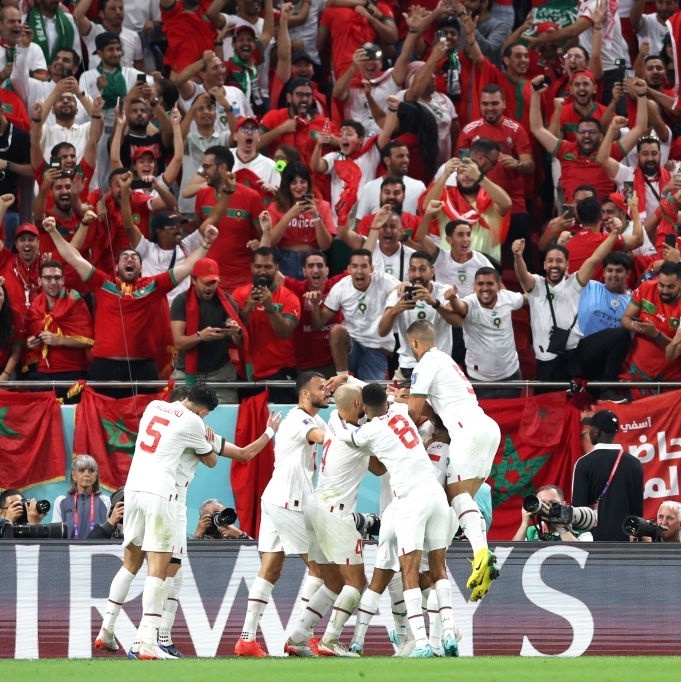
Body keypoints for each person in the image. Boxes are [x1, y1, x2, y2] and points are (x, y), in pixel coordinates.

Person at [95, 385, 219, 660]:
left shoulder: (153, 406)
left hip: (133, 490)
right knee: (159, 570)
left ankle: (107, 627)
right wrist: (207, 440)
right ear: (201, 411)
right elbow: (211, 461)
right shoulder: (193, 422)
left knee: (130, 563)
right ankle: (147, 640)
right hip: (160, 494)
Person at [41, 216, 218, 397]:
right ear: (117, 267)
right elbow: (73, 257)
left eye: (134, 257)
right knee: (100, 419)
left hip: (142, 368)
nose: (129, 260)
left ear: (141, 267)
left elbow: (187, 266)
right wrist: (53, 231)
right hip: (105, 367)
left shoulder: (154, 285)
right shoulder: (102, 283)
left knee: (144, 419)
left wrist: (206, 243)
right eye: (124, 257)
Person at [344, 382, 457, 658]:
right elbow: (386, 397)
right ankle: (450, 632)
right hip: (435, 496)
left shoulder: (368, 430)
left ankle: (420, 643)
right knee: (439, 569)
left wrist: (342, 416)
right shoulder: (400, 412)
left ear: (361, 405)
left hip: (408, 502)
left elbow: (349, 438)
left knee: (408, 573)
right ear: (388, 398)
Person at [285, 381, 382, 657]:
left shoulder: (333, 419)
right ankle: (330, 640)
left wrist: (346, 380)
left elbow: (346, 400)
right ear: (357, 405)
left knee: (333, 584)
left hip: (314, 508)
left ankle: (298, 637)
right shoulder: (358, 436)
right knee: (356, 583)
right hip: (336, 514)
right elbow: (379, 468)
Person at [406, 320, 501, 602]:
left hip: (468, 433)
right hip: (486, 428)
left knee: (456, 497)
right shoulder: (446, 360)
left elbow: (413, 411)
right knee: (460, 504)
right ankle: (480, 557)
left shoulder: (424, 364)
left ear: (414, 343)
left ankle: (482, 554)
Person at [234, 371, 328, 657]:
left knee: (271, 569)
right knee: (321, 569)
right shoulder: (298, 419)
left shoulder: (316, 418)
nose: (326, 391)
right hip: (289, 503)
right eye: (320, 387)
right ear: (303, 394)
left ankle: (246, 639)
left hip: (276, 500)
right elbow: (324, 438)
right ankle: (303, 636)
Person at [512, 228, 620, 386]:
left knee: (619, 335)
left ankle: (606, 390)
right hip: (547, 360)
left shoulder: (574, 283)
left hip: (574, 354)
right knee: (550, 405)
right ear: (544, 264)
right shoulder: (536, 286)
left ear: (567, 264)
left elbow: (595, 258)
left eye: (559, 261)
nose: (554, 265)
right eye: (550, 261)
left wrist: (614, 234)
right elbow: (522, 274)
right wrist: (518, 256)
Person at [310, 248, 399, 380]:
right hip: (352, 347)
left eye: (364, 266)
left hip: (377, 349)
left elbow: (404, 286)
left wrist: (406, 284)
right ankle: (342, 379)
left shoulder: (384, 281)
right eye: (355, 266)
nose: (359, 271)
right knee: (337, 330)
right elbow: (318, 324)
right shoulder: (341, 287)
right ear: (349, 269)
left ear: (372, 269)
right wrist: (315, 305)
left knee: (371, 395)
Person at [170, 257, 245, 404]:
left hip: (220, 373)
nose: (210, 287)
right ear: (193, 279)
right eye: (206, 282)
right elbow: (178, 343)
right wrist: (200, 337)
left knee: (225, 419)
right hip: (187, 372)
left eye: (213, 282)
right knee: (180, 417)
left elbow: (239, 343)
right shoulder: (181, 301)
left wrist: (236, 332)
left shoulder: (228, 302)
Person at [231, 246, 300, 403]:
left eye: (268, 267)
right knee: (249, 424)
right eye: (258, 266)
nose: (262, 271)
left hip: (281, 371)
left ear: (277, 268)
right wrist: (248, 308)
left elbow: (285, 332)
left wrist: (270, 307)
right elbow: (237, 336)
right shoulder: (239, 295)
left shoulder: (289, 297)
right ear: (251, 267)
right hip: (248, 373)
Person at [447, 266, 527, 398]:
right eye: (480, 284)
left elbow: (527, 299)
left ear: (499, 286)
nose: (485, 288)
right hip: (478, 379)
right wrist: (452, 299)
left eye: (489, 283)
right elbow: (460, 308)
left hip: (510, 375)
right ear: (474, 287)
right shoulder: (470, 301)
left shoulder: (507, 298)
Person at [378, 251, 456, 381]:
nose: (417, 274)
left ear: (432, 271)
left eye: (422, 269)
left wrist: (434, 303)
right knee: (395, 400)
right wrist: (396, 309)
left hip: (440, 365)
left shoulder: (444, 291)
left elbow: (457, 322)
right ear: (408, 271)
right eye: (413, 269)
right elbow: (382, 331)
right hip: (408, 366)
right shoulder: (399, 294)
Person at [25, 260, 94, 400]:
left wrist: (60, 340)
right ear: (39, 281)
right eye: (48, 278)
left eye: (57, 278)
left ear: (63, 280)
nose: (53, 282)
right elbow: (30, 338)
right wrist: (30, 344)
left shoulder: (76, 302)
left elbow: (90, 341)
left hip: (72, 372)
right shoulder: (35, 306)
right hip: (42, 372)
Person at [572, 409, 644, 541]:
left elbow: (578, 512)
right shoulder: (635, 464)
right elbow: (637, 512)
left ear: (596, 431)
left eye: (590, 427)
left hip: (593, 542)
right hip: (626, 542)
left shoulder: (583, 464)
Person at [618, 260, 681, 400]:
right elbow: (626, 318)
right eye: (661, 285)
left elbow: (676, 352)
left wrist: (655, 334)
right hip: (634, 374)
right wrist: (636, 327)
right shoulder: (646, 288)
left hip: (669, 383)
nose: (664, 291)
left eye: (671, 287)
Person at [265, 160, 335, 279]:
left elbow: (326, 245)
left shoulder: (322, 206)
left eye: (303, 182)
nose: (299, 187)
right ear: (286, 185)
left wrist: (316, 215)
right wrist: (290, 214)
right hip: (284, 259)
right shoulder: (275, 207)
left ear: (309, 183)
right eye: (293, 183)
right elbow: (270, 242)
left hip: (313, 260)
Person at [51, 454, 122, 539]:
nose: (87, 474)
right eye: (81, 470)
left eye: (91, 471)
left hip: (98, 549)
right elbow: (55, 534)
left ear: (95, 477)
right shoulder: (61, 501)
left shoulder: (106, 501)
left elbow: (112, 532)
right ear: (74, 476)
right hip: (68, 550)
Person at [511, 484, 593, 542]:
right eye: (542, 503)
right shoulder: (531, 532)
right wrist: (524, 523)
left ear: (564, 505)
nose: (547, 507)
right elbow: (513, 554)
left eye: (553, 503)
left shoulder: (581, 533)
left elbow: (583, 556)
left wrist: (561, 528)